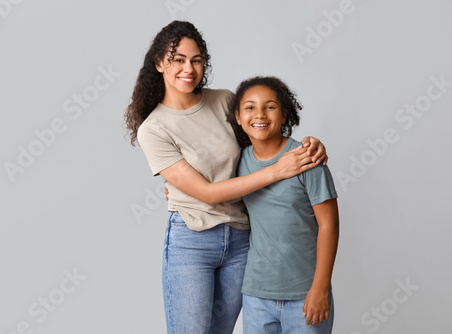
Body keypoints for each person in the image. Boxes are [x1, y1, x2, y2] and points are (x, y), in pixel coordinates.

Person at [125, 21, 328, 334]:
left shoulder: (223, 101)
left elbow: (264, 146)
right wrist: (278, 170)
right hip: (192, 240)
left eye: (196, 60)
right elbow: (206, 192)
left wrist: (308, 147)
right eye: (178, 59)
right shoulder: (153, 129)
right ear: (158, 63)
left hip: (242, 239)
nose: (188, 68)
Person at [227, 76, 339, 334]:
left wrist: (320, 288)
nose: (260, 115)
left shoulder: (306, 158)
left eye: (270, 106)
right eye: (250, 107)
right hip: (256, 295)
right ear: (238, 116)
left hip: (305, 294)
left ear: (284, 112)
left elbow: (329, 224)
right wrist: (175, 190)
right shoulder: (237, 161)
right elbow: (211, 187)